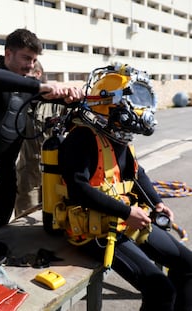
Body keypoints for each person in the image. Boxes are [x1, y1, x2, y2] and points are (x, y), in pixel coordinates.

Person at [57, 64, 192, 310]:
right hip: (94, 230)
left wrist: (157, 203)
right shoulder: (81, 137)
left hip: (125, 220)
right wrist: (127, 213)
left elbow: (138, 175)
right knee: (160, 291)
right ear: (111, 101)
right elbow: (78, 188)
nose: (142, 107)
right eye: (136, 98)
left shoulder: (120, 139)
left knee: (188, 265)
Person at [0, 28, 82, 226]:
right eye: (26, 58)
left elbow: (61, 98)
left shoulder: (28, 85)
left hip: (7, 171)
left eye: (33, 60)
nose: (30, 65)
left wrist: (74, 96)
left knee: (3, 223)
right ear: (8, 53)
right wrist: (40, 87)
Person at [14, 60, 66, 216]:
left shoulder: (57, 102)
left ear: (37, 74)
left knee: (57, 218)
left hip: (56, 174)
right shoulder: (18, 103)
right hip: (28, 176)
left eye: (24, 77)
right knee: (25, 220)